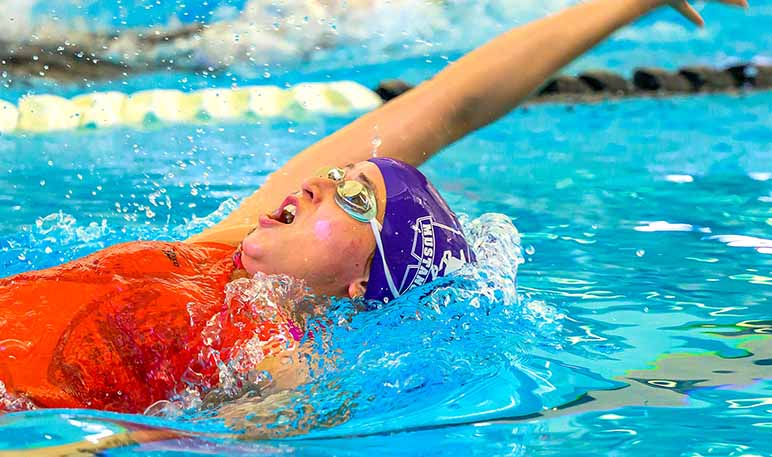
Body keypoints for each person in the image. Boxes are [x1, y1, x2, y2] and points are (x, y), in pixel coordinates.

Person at [0, 0, 748, 416]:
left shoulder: (275, 365)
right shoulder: (220, 246)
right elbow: (451, 105)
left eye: (355, 198)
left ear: (366, 282)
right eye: (336, 175)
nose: (319, 183)